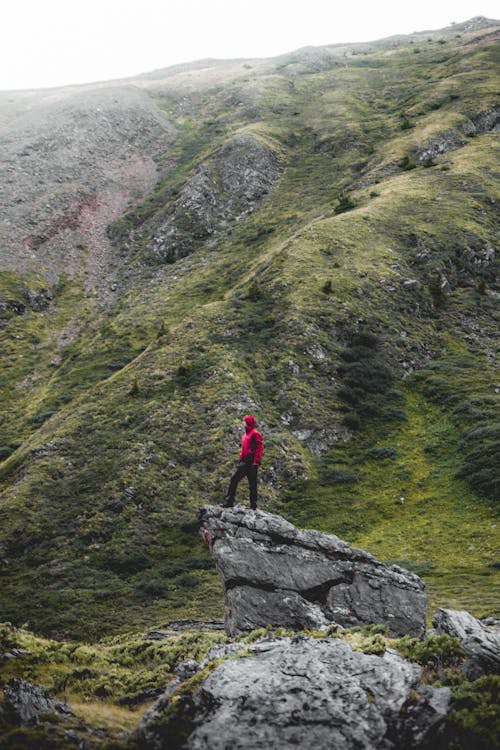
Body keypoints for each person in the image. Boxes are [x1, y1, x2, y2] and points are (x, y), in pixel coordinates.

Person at [224, 415, 264, 509]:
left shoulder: (255, 434)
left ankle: (253, 505)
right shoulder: (245, 435)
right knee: (234, 480)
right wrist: (239, 461)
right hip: (244, 462)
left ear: (248, 422)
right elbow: (243, 450)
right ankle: (229, 502)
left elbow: (259, 447)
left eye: (244, 421)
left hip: (252, 463)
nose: (243, 422)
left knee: (252, 484)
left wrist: (256, 461)